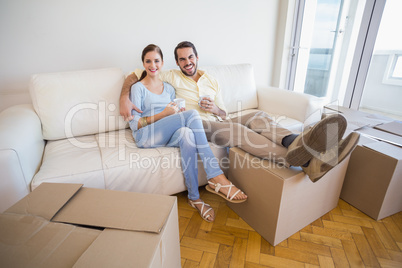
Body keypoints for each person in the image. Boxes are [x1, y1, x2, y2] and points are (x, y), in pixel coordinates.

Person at [120, 41, 360, 183]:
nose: (187, 62)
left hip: (216, 118)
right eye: (182, 59)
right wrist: (124, 97)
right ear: (176, 63)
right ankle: (303, 158)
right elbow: (134, 74)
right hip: (197, 124)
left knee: (258, 116)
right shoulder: (169, 75)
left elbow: (223, 113)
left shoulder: (211, 80)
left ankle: (298, 142)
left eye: (190, 57)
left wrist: (214, 107)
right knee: (237, 130)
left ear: (196, 57)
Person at [128, 44, 247, 223]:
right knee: (191, 115)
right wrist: (164, 114)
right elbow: (134, 124)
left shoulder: (168, 87)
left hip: (166, 133)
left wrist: (176, 113)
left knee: (186, 134)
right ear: (143, 64)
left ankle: (194, 198)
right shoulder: (138, 88)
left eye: (157, 61)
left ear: (162, 63)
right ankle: (215, 175)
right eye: (148, 61)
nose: (153, 65)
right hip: (145, 135)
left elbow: (172, 114)